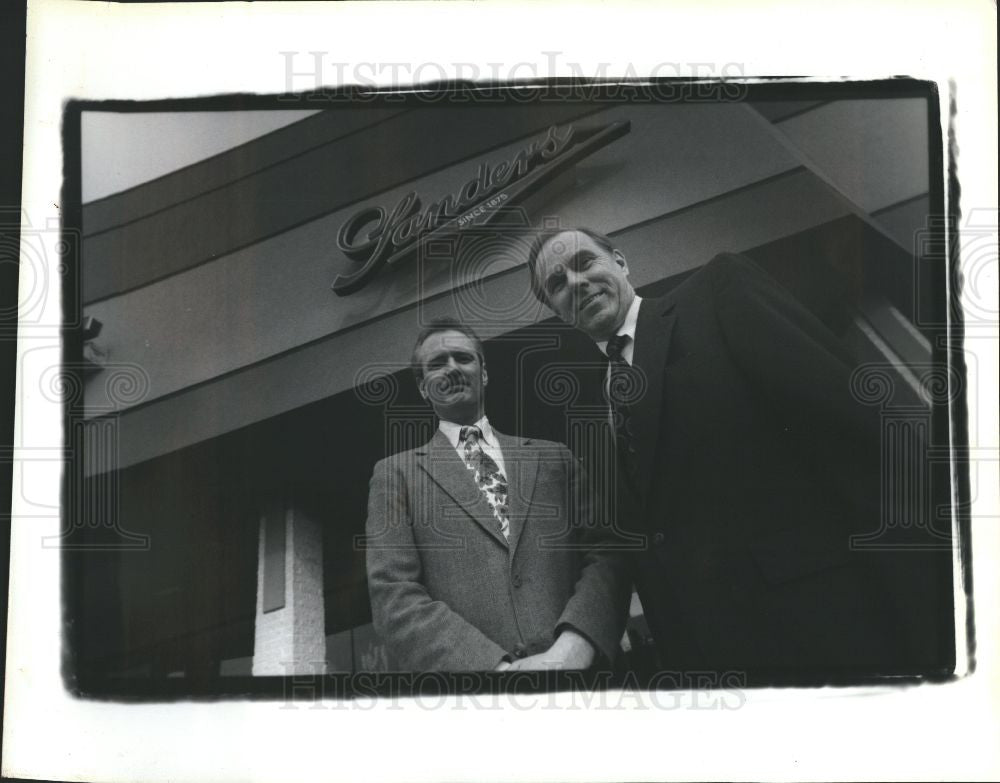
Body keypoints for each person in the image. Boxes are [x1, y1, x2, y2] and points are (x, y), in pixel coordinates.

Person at [525, 227, 950, 678]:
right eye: (557, 283)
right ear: (557, 311)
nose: (575, 282)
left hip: (834, 631)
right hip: (719, 670)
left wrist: (929, 593)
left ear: (621, 262)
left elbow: (860, 430)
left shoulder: (716, 292)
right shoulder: (595, 411)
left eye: (584, 262)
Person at [364, 317, 630, 672]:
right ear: (422, 386)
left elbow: (606, 552)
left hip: (586, 679)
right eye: (438, 363)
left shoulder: (554, 457)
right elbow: (393, 595)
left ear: (484, 373)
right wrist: (494, 672)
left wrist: (577, 646)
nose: (453, 369)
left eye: (464, 357)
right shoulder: (394, 475)